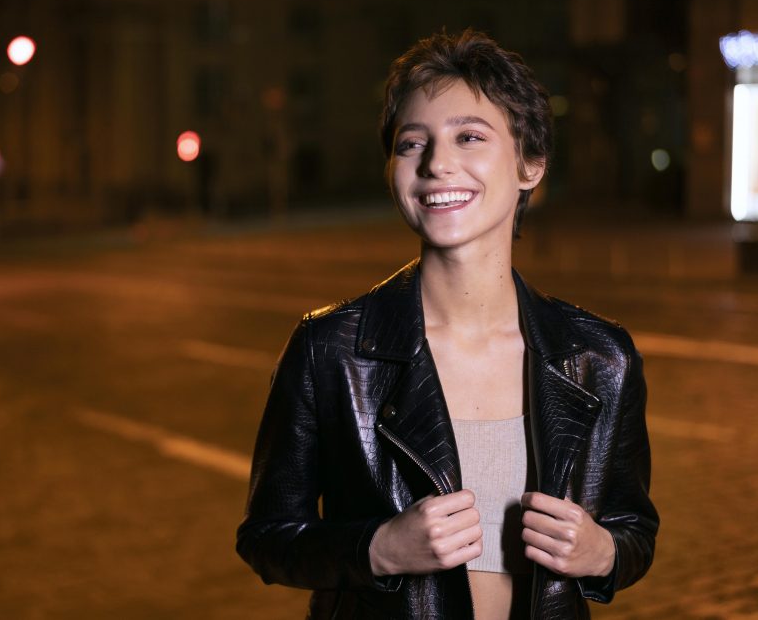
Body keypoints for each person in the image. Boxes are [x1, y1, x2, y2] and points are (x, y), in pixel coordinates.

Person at [236, 30, 658, 619]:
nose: (437, 163)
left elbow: (633, 529)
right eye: (413, 143)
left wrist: (603, 552)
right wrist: (378, 548)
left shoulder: (600, 358)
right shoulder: (329, 350)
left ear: (530, 164)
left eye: (469, 137)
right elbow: (269, 537)